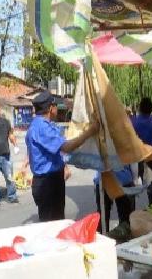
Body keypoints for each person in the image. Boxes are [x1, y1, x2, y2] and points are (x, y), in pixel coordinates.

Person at [25, 91, 99, 222]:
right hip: (47, 182)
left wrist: (64, 166)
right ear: (50, 108)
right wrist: (89, 133)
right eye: (55, 107)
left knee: (57, 220)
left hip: (52, 179)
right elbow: (66, 147)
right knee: (52, 224)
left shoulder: (44, 125)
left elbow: (56, 149)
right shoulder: (42, 128)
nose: (57, 110)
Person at [94, 165, 135, 239]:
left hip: (121, 178)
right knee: (104, 221)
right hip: (106, 179)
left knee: (125, 222)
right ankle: (103, 244)